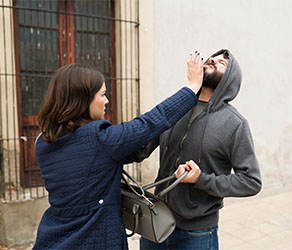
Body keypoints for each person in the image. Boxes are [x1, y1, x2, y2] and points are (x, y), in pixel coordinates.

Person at [32, 52, 203, 250]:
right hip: (94, 240)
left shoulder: (43, 141)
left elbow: (107, 158)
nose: (107, 101)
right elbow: (151, 121)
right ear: (82, 100)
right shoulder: (100, 140)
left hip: (53, 238)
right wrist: (193, 87)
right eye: (103, 94)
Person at [133, 49, 262, 250]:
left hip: (197, 233)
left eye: (222, 63)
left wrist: (201, 180)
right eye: (213, 57)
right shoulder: (177, 107)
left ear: (229, 79)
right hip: (156, 222)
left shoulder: (235, 124)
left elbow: (251, 181)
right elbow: (142, 148)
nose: (213, 60)